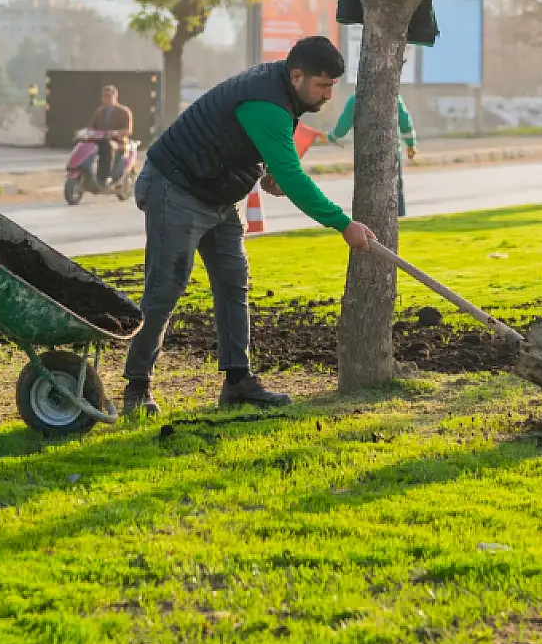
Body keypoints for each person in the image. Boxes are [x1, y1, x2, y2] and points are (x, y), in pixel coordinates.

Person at [121, 36, 377, 415]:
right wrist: (343, 224)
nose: (326, 96)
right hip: (175, 187)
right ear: (296, 76)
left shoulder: (283, 91)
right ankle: (137, 387)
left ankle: (238, 382)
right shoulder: (268, 103)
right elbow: (293, 178)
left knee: (232, 281)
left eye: (331, 87)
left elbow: (261, 150)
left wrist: (267, 169)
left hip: (219, 194)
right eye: (322, 86)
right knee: (165, 287)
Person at [326, 90, 418, 216]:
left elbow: (343, 125)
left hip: (365, 153)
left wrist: (332, 137)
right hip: (391, 152)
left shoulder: (355, 100)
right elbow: (405, 123)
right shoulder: (394, 97)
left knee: (367, 189)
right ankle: (399, 217)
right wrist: (411, 144)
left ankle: (368, 218)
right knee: (396, 187)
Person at [87, 84, 133, 186]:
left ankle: (105, 177)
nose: (106, 98)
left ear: (115, 96)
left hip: (118, 142)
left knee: (107, 146)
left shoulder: (124, 111)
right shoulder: (99, 111)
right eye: (104, 96)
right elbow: (92, 126)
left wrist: (115, 133)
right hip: (100, 140)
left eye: (109, 96)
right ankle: (86, 172)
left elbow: (128, 130)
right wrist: (87, 132)